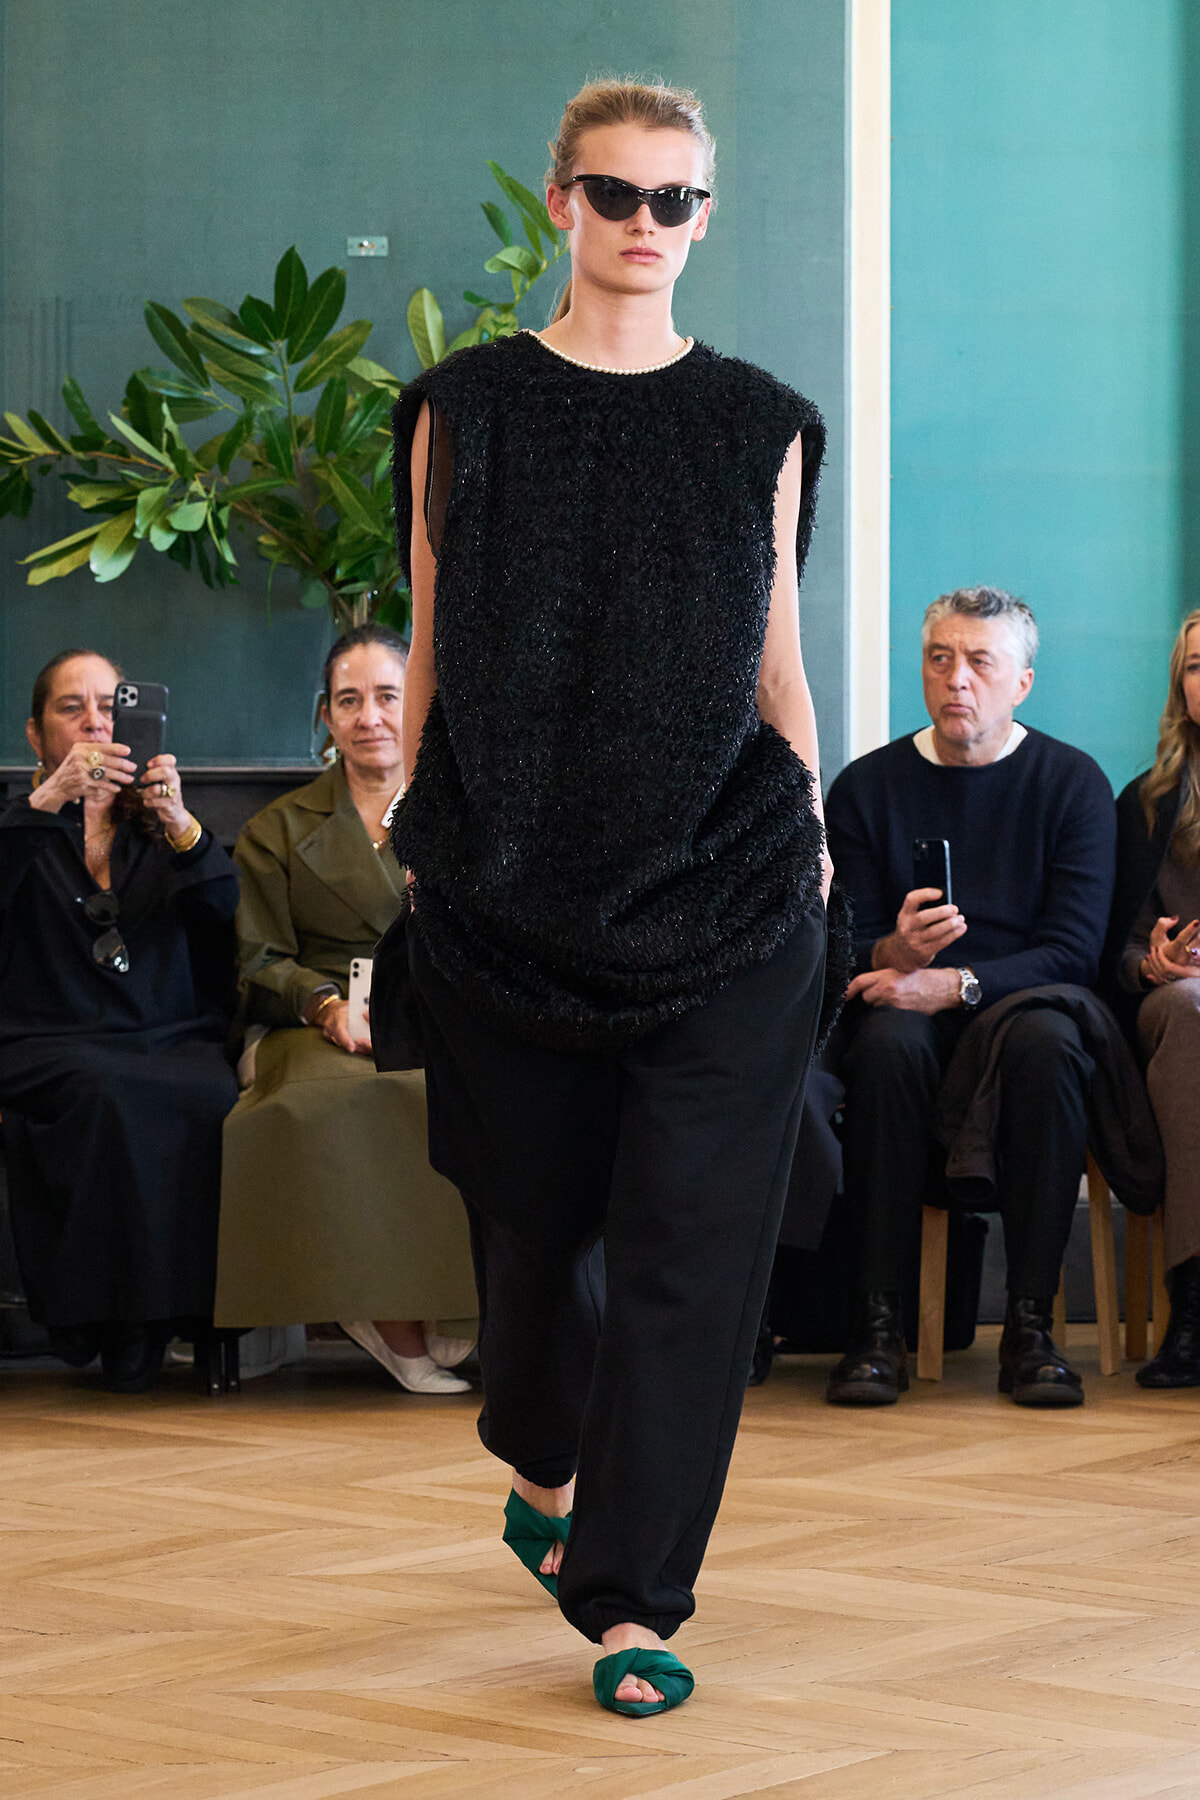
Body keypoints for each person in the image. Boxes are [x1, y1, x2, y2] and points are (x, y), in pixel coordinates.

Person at [390, 78, 830, 1717]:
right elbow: (430, 643)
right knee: (532, 1253)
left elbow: (773, 653)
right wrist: (421, 837)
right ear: (562, 203)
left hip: (730, 889)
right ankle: (536, 1451)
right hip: (508, 895)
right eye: (619, 194)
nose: (649, 227)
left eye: (679, 202)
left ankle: (635, 1599)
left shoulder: (763, 425)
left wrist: (813, 824)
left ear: (704, 221)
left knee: (690, 1253)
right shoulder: (467, 410)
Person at [824, 587, 1115, 1409]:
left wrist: (953, 982)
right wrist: (891, 951)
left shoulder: (1071, 784)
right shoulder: (867, 789)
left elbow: (1075, 952)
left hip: (1021, 1014)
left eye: (981, 662)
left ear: (1021, 682)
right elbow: (840, 948)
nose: (958, 680)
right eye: (940, 658)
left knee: (1048, 1045)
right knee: (882, 1044)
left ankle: (1030, 1327)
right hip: (901, 1018)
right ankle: (876, 1325)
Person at [213, 624, 477, 1393]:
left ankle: (457, 1311)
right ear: (326, 717)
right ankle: (386, 1314)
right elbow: (259, 960)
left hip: (435, 1014)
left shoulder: (460, 819)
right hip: (310, 1021)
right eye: (350, 700)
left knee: (470, 1096)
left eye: (388, 696)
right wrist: (325, 1006)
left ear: (419, 704)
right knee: (347, 1098)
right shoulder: (277, 830)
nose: (370, 717)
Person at [0, 649, 239, 1393]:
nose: (95, 721)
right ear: (37, 736)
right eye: (72, 708)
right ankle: (105, 1326)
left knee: (206, 1094)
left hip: (164, 1031)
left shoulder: (157, 824)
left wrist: (180, 824)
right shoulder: (20, 823)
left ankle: (185, 1322)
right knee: (105, 1094)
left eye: (110, 705)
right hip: (45, 1038)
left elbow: (223, 915)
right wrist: (45, 806)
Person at [1111, 609, 1200, 1387]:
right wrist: (1155, 964)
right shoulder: (1148, 802)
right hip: (1175, 1008)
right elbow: (1116, 945)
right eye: (1198, 667)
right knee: (1192, 1011)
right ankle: (1194, 1305)